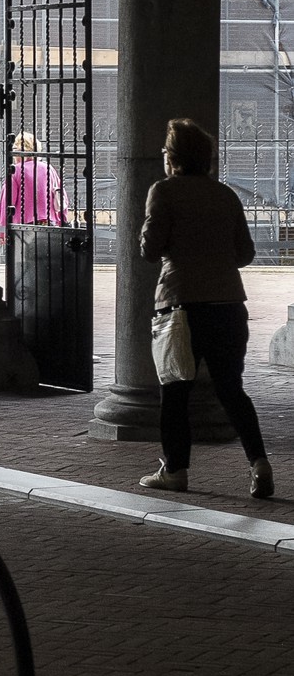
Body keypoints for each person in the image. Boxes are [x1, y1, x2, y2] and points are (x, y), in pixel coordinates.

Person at [138, 117, 273, 499]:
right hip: (229, 303)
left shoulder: (163, 191)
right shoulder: (226, 194)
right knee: (232, 389)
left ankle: (175, 469)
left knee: (176, 392)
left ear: (174, 157)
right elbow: (245, 253)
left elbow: (149, 250)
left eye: (166, 151)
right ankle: (259, 463)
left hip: (180, 307)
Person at [0, 131, 69, 229]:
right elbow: (61, 196)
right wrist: (62, 220)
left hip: (23, 225)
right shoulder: (49, 168)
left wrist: (2, 229)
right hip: (49, 221)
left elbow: (8, 202)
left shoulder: (16, 170)